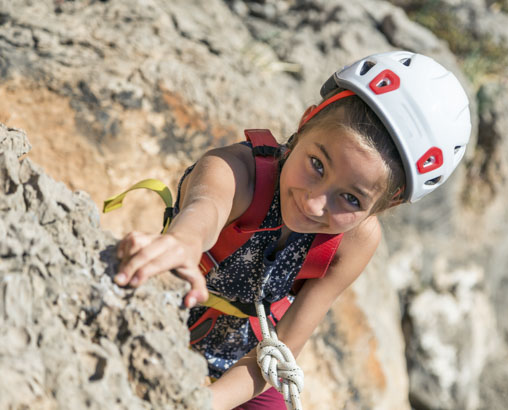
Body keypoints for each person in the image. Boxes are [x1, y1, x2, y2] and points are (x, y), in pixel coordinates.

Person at [112, 51, 471, 409]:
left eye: (350, 198)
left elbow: (283, 346)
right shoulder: (239, 172)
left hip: (249, 364)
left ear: (386, 205)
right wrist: (182, 243)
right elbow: (204, 210)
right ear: (305, 122)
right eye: (317, 164)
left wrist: (204, 401)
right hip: (165, 314)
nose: (315, 203)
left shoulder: (355, 242)